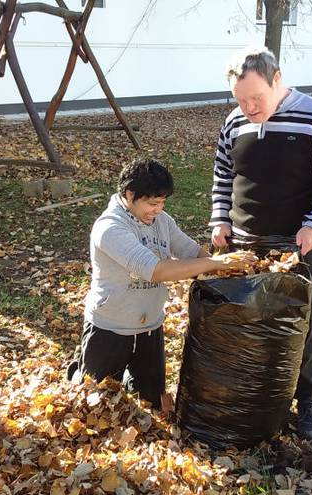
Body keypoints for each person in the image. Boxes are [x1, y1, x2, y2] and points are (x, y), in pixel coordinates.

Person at [209, 47, 312, 439]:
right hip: (241, 243)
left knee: (299, 322)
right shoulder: (234, 121)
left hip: (298, 243)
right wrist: (220, 219)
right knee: (243, 318)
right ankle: (253, 397)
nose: (249, 108)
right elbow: (223, 176)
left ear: (277, 79)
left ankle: (306, 398)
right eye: (241, 100)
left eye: (256, 98)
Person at [70, 158, 256, 409]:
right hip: (110, 327)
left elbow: (190, 251)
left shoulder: (162, 221)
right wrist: (216, 264)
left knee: (150, 402)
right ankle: (78, 369)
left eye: (162, 203)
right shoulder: (110, 228)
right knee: (94, 402)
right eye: (152, 203)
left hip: (149, 327)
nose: (158, 209)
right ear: (129, 194)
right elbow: (157, 271)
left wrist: (228, 267)